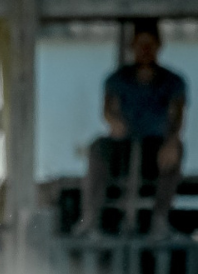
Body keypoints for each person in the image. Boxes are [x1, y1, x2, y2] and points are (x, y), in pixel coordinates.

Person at [78, 19, 187, 237]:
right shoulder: (117, 79)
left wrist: (172, 142)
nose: (145, 50)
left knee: (177, 151)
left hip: (155, 147)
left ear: (158, 46)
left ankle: (159, 219)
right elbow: (108, 109)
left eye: (150, 45)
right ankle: (91, 220)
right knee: (98, 147)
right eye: (140, 44)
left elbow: (178, 116)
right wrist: (114, 122)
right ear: (132, 47)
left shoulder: (173, 81)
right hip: (123, 145)